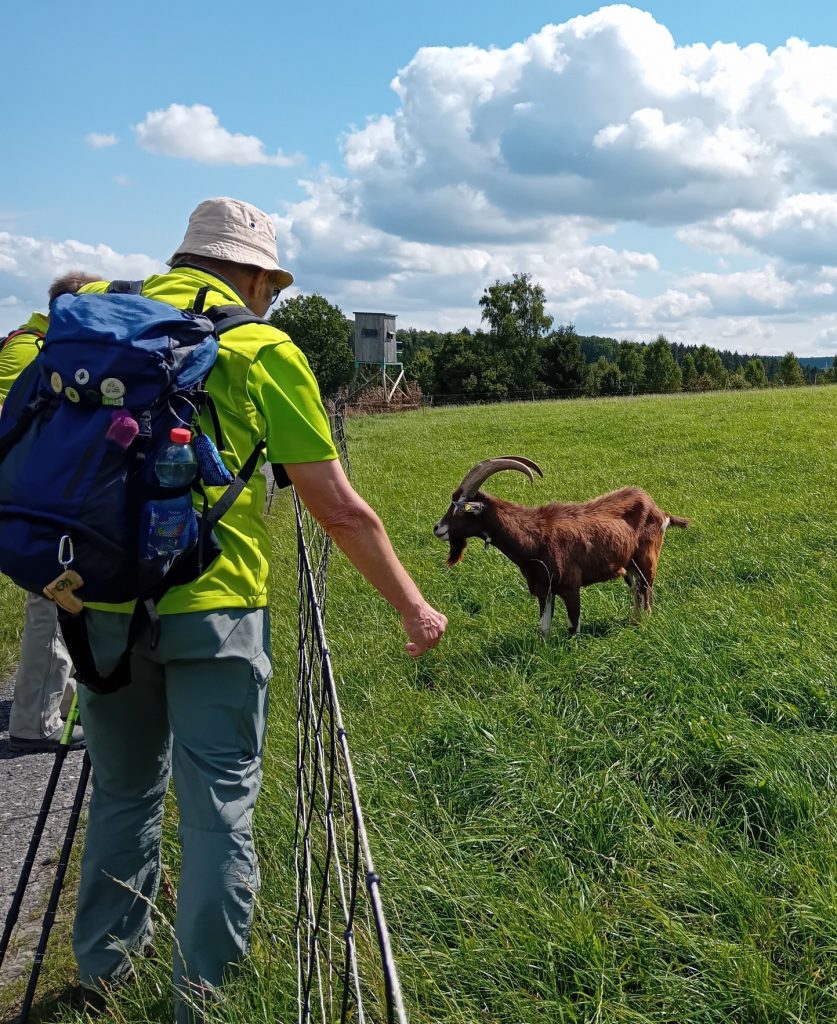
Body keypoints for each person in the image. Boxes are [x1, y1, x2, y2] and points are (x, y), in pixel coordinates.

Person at [68, 197, 447, 1021]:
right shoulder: (258, 346)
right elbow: (336, 506)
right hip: (218, 605)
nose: (269, 297)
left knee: (124, 792)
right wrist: (413, 606)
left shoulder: (102, 324)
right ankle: (204, 997)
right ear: (246, 272)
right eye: (268, 282)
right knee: (219, 802)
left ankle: (102, 973)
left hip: (99, 602)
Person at [1, 273, 101, 752]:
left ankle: (59, 703)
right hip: (36, 497)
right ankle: (33, 723)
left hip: (43, 493)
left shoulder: (46, 343)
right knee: (49, 601)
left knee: (60, 597)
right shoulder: (32, 349)